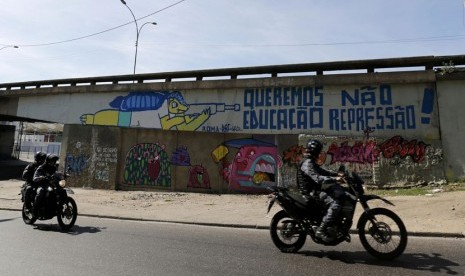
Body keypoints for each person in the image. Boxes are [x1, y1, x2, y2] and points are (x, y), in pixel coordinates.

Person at [296, 139, 345, 242]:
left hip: (314, 191)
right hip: (309, 193)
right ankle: (321, 229)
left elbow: (322, 171)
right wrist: (334, 179)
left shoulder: (310, 161)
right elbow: (317, 178)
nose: (319, 154)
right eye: (318, 151)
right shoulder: (308, 162)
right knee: (335, 204)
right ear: (315, 151)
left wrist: (336, 174)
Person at [32, 154, 59, 218]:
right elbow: (35, 178)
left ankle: (57, 208)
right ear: (48, 161)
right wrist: (41, 177)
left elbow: (57, 173)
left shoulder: (54, 168)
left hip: (50, 185)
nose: (53, 162)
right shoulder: (41, 167)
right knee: (41, 192)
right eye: (52, 161)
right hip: (41, 185)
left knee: (60, 190)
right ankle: (35, 210)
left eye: (54, 161)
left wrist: (63, 175)